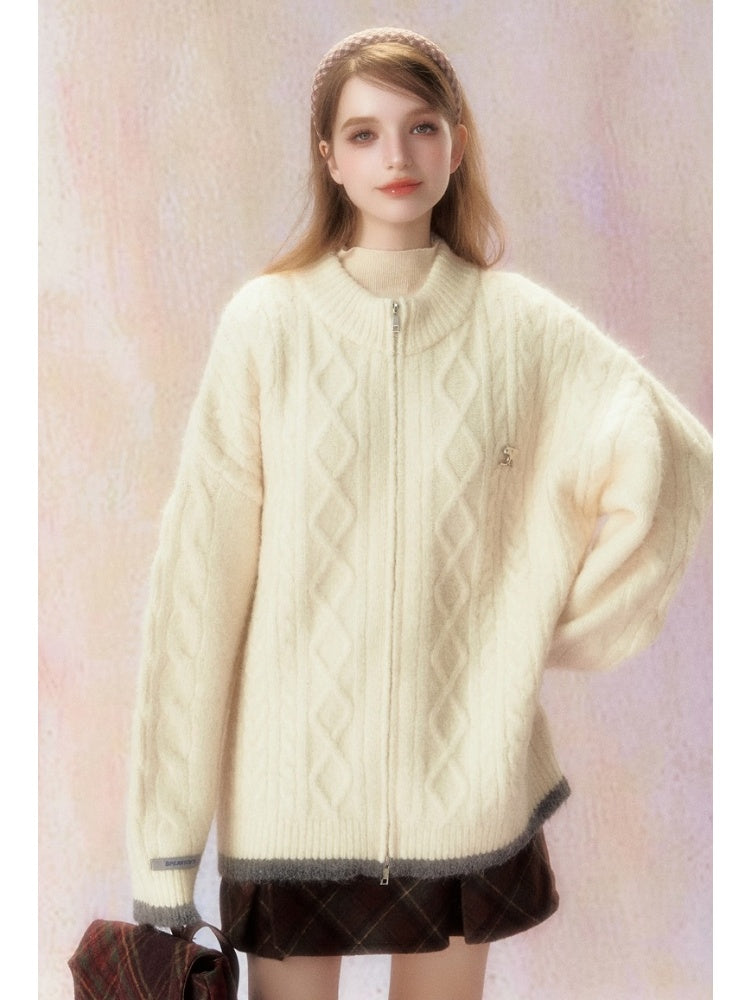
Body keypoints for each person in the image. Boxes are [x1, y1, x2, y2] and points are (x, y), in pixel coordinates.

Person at [127, 27, 712, 1000]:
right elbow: (199, 594)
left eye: (421, 126)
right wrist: (164, 854)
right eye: (364, 134)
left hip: (467, 800)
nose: (395, 156)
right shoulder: (267, 326)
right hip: (290, 801)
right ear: (328, 157)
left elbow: (672, 459)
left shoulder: (520, 328)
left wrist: (557, 622)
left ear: (457, 142)